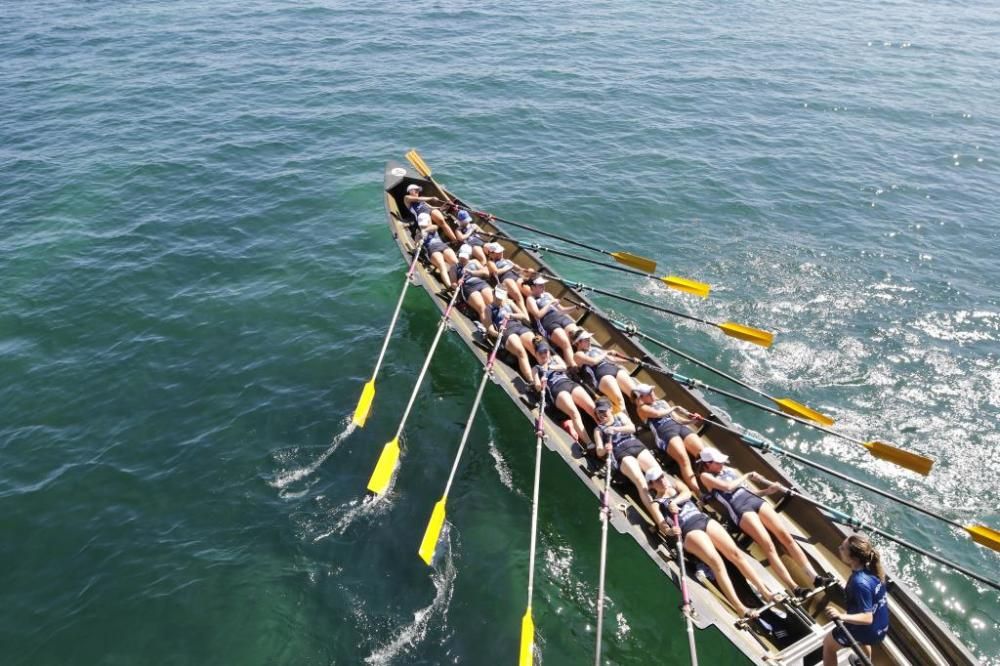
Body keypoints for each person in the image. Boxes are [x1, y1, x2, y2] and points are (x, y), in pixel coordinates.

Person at [646, 467, 785, 619]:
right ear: (651, 485)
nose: (662, 480)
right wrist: (671, 531)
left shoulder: (675, 485)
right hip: (689, 530)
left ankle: (766, 593)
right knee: (717, 563)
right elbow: (662, 525)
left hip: (702, 519)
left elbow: (687, 493)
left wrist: (675, 501)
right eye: (658, 480)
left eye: (662, 476)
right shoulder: (656, 503)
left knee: (736, 555)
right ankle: (740, 608)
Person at [697, 447, 830, 595]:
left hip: (755, 500)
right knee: (768, 545)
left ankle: (814, 577)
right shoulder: (705, 476)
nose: (721, 464)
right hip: (740, 509)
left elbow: (746, 490)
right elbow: (728, 487)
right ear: (707, 464)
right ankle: (794, 588)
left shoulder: (727, 470)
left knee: (786, 537)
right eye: (718, 462)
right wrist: (746, 475)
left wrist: (767, 491)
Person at [592, 399, 669, 534]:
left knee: (659, 475)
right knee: (641, 482)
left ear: (610, 409)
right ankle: (660, 522)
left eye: (604, 411)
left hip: (636, 446)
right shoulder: (598, 430)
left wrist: (615, 429)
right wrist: (605, 448)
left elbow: (631, 428)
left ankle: (669, 505)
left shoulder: (620, 417)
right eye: (598, 413)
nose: (601, 415)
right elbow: (599, 451)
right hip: (621, 454)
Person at [822, 534, 889, 666]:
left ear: (854, 558)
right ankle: (863, 662)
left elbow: (867, 618)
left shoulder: (859, 583)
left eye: (843, 548)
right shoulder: (872, 571)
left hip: (868, 628)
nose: (839, 548)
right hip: (880, 628)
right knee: (862, 639)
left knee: (828, 644)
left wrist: (841, 616)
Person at [633, 384, 705, 494]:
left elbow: (678, 420)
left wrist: (693, 421)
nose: (652, 394)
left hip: (680, 427)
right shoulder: (642, 408)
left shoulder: (662, 403)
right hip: (665, 433)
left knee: (703, 453)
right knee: (683, 460)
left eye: (652, 391)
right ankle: (700, 493)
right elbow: (657, 414)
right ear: (641, 397)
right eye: (648, 393)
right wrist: (674, 408)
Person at [532, 342, 595, 444]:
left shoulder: (555, 359)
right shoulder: (536, 369)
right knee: (574, 413)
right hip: (557, 390)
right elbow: (538, 386)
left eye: (545, 351)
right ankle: (589, 444)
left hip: (569, 384)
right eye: (540, 353)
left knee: (592, 408)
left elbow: (564, 367)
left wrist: (549, 367)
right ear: (536, 354)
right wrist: (541, 383)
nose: (544, 354)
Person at [571, 329, 637, 412]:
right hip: (602, 375)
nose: (589, 341)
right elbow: (593, 362)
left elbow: (612, 359)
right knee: (620, 401)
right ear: (578, 343)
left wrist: (630, 361)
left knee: (636, 394)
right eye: (586, 340)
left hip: (613, 368)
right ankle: (626, 422)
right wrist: (606, 352)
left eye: (589, 339)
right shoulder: (578, 355)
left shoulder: (594, 349)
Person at [524, 277, 582, 367]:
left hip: (560, 318)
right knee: (565, 342)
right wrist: (550, 303)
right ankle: (573, 366)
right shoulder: (530, 299)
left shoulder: (548, 295)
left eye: (543, 285)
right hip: (548, 323)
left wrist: (575, 307)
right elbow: (538, 315)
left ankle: (582, 360)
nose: (543, 287)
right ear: (533, 287)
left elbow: (562, 310)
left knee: (578, 335)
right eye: (540, 285)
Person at [488, 287, 536, 382]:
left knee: (536, 347)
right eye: (497, 297)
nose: (499, 300)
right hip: (506, 331)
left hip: (519, 327)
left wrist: (511, 315)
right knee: (520, 351)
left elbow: (522, 315)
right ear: (493, 294)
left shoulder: (509, 302)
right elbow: (489, 328)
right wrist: (498, 334)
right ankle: (531, 381)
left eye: (501, 297)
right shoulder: (489, 309)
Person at [453, 244, 494, 329]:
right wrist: (458, 284)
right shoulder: (454, 267)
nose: (463, 259)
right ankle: (488, 329)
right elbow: (452, 283)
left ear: (469, 255)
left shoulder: (474, 262)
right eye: (461, 256)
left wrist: (473, 272)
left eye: (465, 257)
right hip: (468, 287)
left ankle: (496, 327)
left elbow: (486, 273)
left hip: (480, 283)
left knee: (492, 305)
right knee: (482, 307)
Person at [484, 242, 534, 309]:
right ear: (491, 253)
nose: (501, 253)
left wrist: (527, 271)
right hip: (506, 280)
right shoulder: (490, 263)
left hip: (515, 277)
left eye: (501, 251)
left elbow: (520, 270)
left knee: (530, 293)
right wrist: (508, 267)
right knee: (519, 298)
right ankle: (526, 317)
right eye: (498, 252)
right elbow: (496, 272)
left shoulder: (507, 261)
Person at [418, 213, 458, 289]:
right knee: (441, 265)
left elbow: (434, 227)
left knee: (455, 263)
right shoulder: (418, 233)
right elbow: (417, 244)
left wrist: (425, 230)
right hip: (432, 249)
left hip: (443, 246)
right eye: (422, 225)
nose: (423, 226)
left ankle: (461, 281)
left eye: (425, 223)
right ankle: (450, 287)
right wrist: (419, 242)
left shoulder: (433, 226)